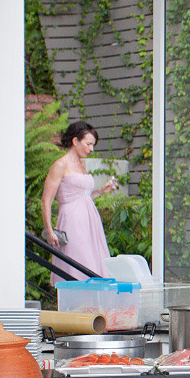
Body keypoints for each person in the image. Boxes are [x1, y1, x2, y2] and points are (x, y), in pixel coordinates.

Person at [41, 121, 118, 284]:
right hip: (72, 222)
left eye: (93, 145)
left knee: (95, 262)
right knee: (79, 263)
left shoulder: (82, 164)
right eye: (88, 144)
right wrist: (49, 230)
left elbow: (83, 196)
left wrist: (101, 190)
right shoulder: (60, 165)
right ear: (75, 141)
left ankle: (91, 307)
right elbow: (47, 199)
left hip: (90, 222)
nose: (91, 149)